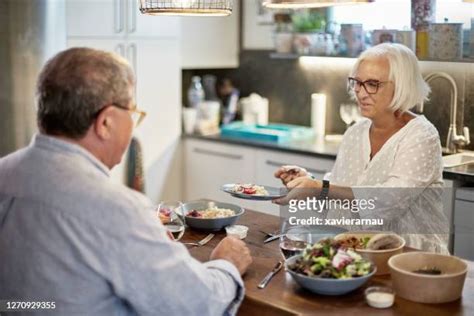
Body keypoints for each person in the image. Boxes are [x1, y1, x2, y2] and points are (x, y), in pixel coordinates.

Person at [0, 47, 252, 315]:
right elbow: (197, 304)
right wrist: (226, 264)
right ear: (106, 123)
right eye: (132, 112)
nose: (133, 125)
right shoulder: (116, 209)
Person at [274, 43, 448, 253]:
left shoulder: (421, 135)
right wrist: (306, 182)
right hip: (356, 253)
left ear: (402, 85)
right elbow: (339, 191)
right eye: (357, 82)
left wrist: (320, 187)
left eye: (373, 84)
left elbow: (387, 201)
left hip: (411, 257)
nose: (360, 93)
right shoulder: (355, 132)